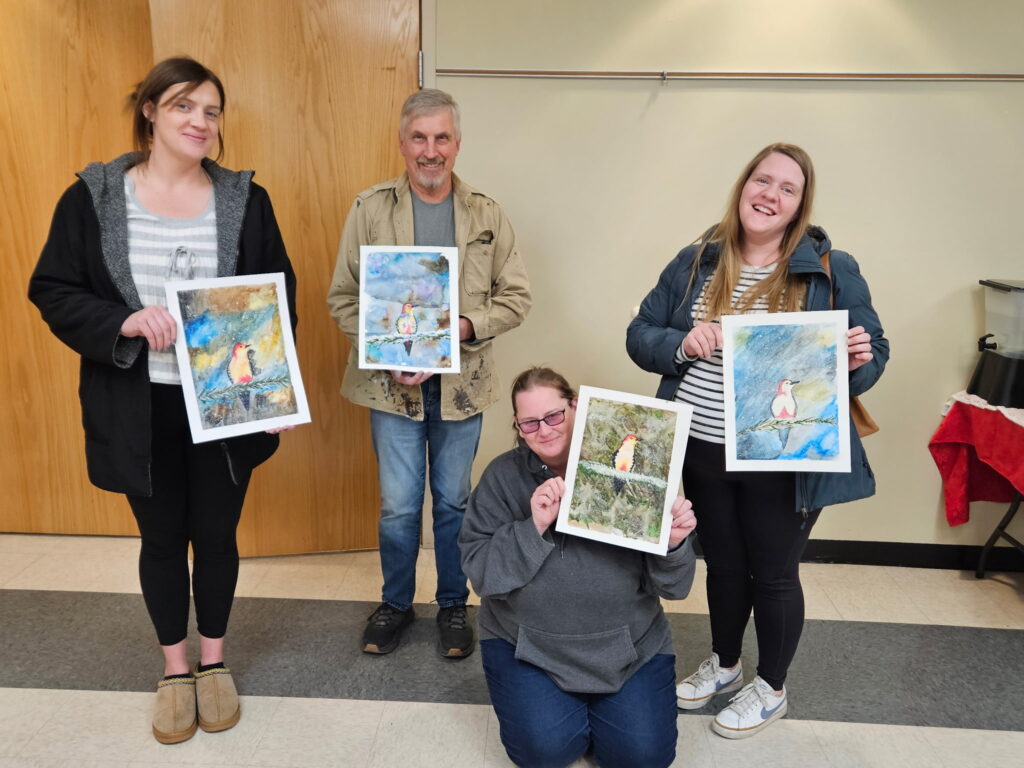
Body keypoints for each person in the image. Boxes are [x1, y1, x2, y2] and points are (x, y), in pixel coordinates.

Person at [28, 57, 297, 745]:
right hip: (137, 404)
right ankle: (175, 670)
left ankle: (214, 662)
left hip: (224, 401)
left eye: (211, 111)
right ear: (149, 110)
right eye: (183, 106)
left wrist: (271, 393)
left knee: (217, 535)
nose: (200, 122)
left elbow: (276, 298)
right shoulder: (93, 197)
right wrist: (122, 320)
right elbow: (53, 289)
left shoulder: (244, 200)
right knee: (161, 538)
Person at [626, 143, 888, 739]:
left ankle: (771, 688)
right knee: (722, 565)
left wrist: (856, 362)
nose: (770, 195)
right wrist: (680, 343)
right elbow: (640, 334)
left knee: (772, 573)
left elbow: (873, 352)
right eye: (762, 181)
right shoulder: (697, 260)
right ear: (744, 186)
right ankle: (725, 665)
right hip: (701, 445)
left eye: (787, 188)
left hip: (781, 452)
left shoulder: (830, 267)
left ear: (800, 205)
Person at [327, 89, 531, 658]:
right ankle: (395, 604)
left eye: (442, 137)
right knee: (398, 506)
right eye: (419, 137)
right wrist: (386, 349)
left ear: (457, 144)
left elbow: (516, 297)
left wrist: (461, 328)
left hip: (462, 389)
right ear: (402, 143)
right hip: (390, 389)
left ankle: (452, 605)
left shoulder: (486, 214)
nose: (430, 150)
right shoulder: (370, 210)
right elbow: (343, 297)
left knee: (453, 503)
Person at [460, 367, 698, 768]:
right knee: (545, 753)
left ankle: (593, 714)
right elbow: (483, 575)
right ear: (517, 426)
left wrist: (673, 544)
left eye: (554, 416)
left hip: (629, 648)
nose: (544, 430)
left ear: (575, 406)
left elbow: (676, 588)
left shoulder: (637, 470)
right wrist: (534, 526)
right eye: (529, 423)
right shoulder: (501, 476)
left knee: (643, 759)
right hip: (529, 648)